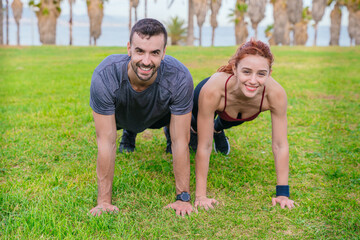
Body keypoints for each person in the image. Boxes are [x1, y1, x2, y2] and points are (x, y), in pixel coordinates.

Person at [89, 18, 195, 216]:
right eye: (140, 51)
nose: (146, 61)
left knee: (179, 133)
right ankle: (130, 132)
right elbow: (106, 142)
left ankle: (163, 129)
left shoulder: (179, 77)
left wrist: (183, 198)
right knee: (117, 132)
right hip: (122, 117)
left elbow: (180, 141)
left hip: (159, 116)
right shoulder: (105, 75)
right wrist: (103, 202)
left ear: (164, 52)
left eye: (154, 53)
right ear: (129, 48)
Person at [191, 39, 296, 210]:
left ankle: (218, 129)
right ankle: (195, 129)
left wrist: (283, 194)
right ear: (234, 69)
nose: (253, 80)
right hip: (206, 97)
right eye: (246, 72)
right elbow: (205, 146)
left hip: (237, 111)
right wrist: (201, 196)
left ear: (269, 73)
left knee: (232, 118)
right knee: (196, 131)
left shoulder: (276, 94)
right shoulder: (213, 90)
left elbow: (280, 145)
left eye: (261, 74)